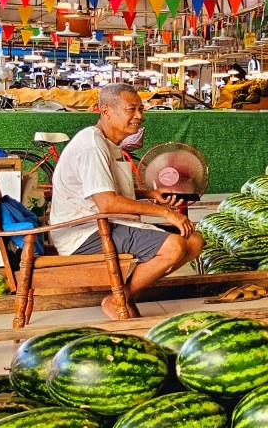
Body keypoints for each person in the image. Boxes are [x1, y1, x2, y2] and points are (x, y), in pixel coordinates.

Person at [48, 83, 203, 320]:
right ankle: (117, 299)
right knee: (173, 246)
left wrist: (149, 195)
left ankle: (123, 294)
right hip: (85, 232)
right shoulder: (92, 146)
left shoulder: (110, 144)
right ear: (106, 111)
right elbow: (107, 203)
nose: (139, 116)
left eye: (141, 109)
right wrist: (165, 213)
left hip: (106, 224)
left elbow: (106, 190)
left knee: (193, 240)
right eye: (131, 110)